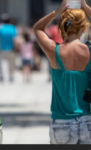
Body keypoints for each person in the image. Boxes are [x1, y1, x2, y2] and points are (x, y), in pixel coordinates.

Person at [33, 0, 91, 144]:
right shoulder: (89, 51)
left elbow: (38, 29)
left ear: (63, 26)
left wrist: (57, 12)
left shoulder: (54, 51)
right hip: (86, 121)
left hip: (61, 122)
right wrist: (85, 7)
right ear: (83, 28)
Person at [0, 14, 18, 83]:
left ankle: (1, 77)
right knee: (11, 64)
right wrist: (16, 47)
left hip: (0, 49)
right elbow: (14, 39)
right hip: (10, 49)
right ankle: (11, 76)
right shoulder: (13, 28)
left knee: (0, 64)